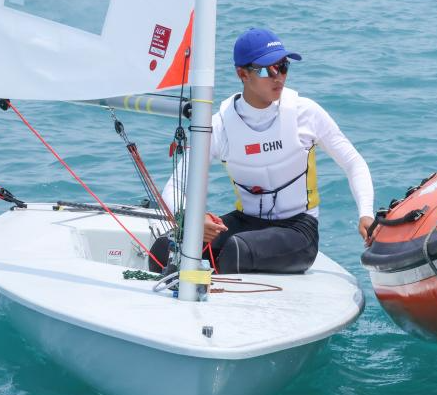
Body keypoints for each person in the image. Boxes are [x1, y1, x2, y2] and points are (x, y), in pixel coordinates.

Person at [155, 27, 374, 274]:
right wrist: (192, 218)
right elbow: (175, 186)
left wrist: (365, 214)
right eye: (266, 70)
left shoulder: (305, 113)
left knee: (236, 250)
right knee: (164, 249)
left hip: (298, 229)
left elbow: (353, 163)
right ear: (242, 74)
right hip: (246, 222)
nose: (278, 77)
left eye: (283, 67)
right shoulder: (220, 126)